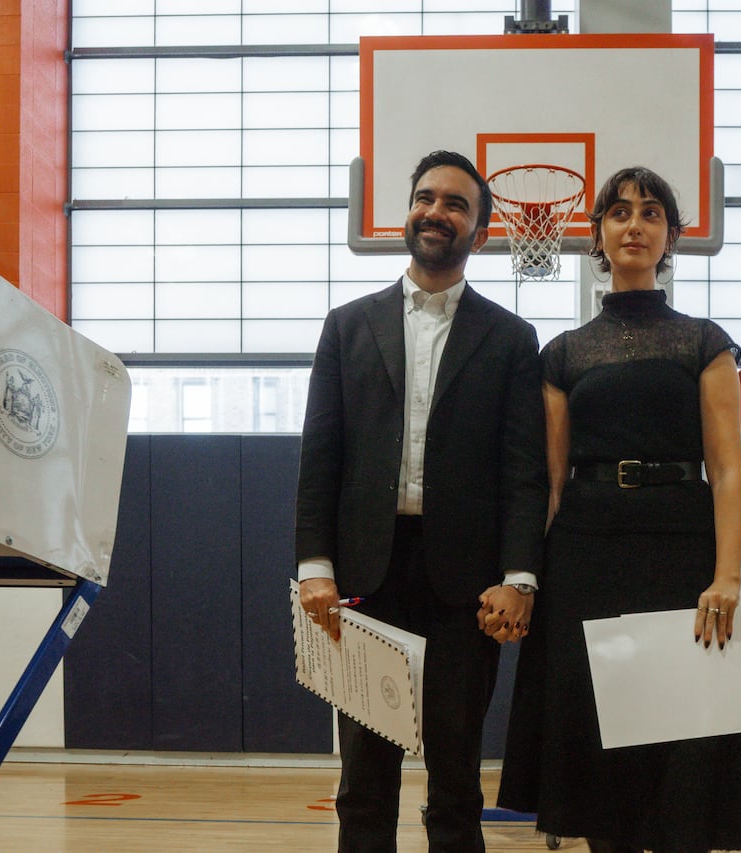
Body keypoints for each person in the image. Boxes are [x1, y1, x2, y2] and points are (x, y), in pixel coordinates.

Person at [497, 166, 741, 853]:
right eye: (619, 212)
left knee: (682, 746)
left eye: (650, 213)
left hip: (680, 550)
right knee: (600, 753)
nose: (634, 224)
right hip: (585, 555)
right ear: (599, 236)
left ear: (671, 235)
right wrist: (527, 579)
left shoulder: (704, 342)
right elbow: (549, 485)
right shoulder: (562, 353)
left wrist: (727, 575)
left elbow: (729, 470)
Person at [295, 149, 548, 853]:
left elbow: (523, 473)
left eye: (457, 203)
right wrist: (315, 562)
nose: (437, 211)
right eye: (427, 197)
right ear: (408, 211)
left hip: (465, 588)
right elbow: (320, 457)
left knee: (457, 785)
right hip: (366, 583)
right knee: (364, 786)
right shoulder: (346, 327)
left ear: (484, 231)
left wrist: (519, 575)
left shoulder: (511, 339)